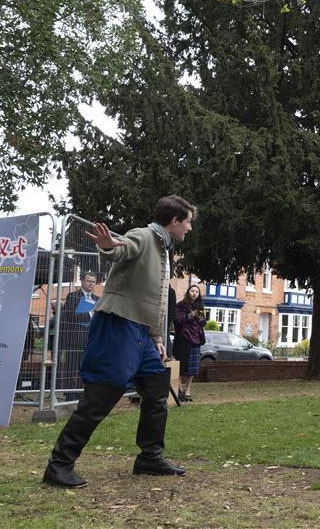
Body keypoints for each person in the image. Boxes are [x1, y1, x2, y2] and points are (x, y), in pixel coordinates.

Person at [43, 195, 195, 489]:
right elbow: (119, 251)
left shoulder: (164, 247)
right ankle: (59, 464)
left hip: (141, 333)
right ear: (174, 220)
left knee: (156, 388)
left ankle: (150, 457)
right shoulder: (143, 235)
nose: (189, 228)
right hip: (117, 325)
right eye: (187, 222)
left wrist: (156, 337)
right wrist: (107, 245)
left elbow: (154, 299)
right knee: (101, 396)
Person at [58, 272, 99, 394]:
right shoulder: (73, 296)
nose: (91, 284)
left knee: (85, 368)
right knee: (71, 368)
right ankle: (69, 394)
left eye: (93, 282)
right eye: (88, 281)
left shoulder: (98, 299)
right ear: (82, 281)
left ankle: (81, 393)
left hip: (90, 340)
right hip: (75, 339)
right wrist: (90, 313)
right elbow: (70, 316)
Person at [173, 284, 206, 402]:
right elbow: (178, 319)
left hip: (196, 340)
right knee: (181, 367)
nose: (194, 293)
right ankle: (179, 390)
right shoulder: (180, 305)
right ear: (188, 292)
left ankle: (187, 391)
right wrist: (191, 315)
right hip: (183, 339)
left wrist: (199, 317)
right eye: (192, 291)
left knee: (192, 368)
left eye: (197, 292)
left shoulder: (200, 306)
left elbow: (203, 323)